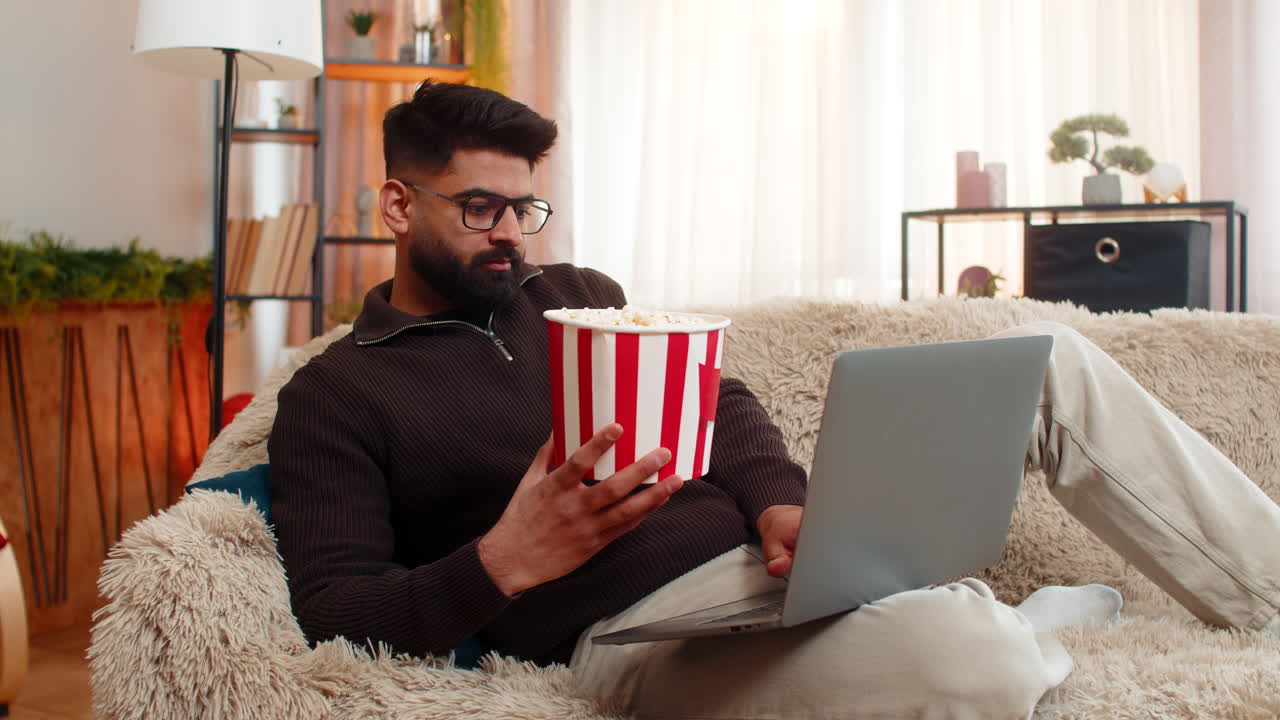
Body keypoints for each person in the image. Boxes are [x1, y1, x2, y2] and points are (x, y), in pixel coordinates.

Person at [269, 81, 1280, 718]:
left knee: (1047, 352)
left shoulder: (576, 298)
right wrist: (506, 559)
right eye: (478, 208)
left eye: (526, 206)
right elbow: (336, 611)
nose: (512, 237)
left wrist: (780, 504)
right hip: (643, 639)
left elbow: (719, 401)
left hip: (780, 571)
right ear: (399, 202)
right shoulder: (338, 396)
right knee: (964, 661)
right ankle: (1003, 622)